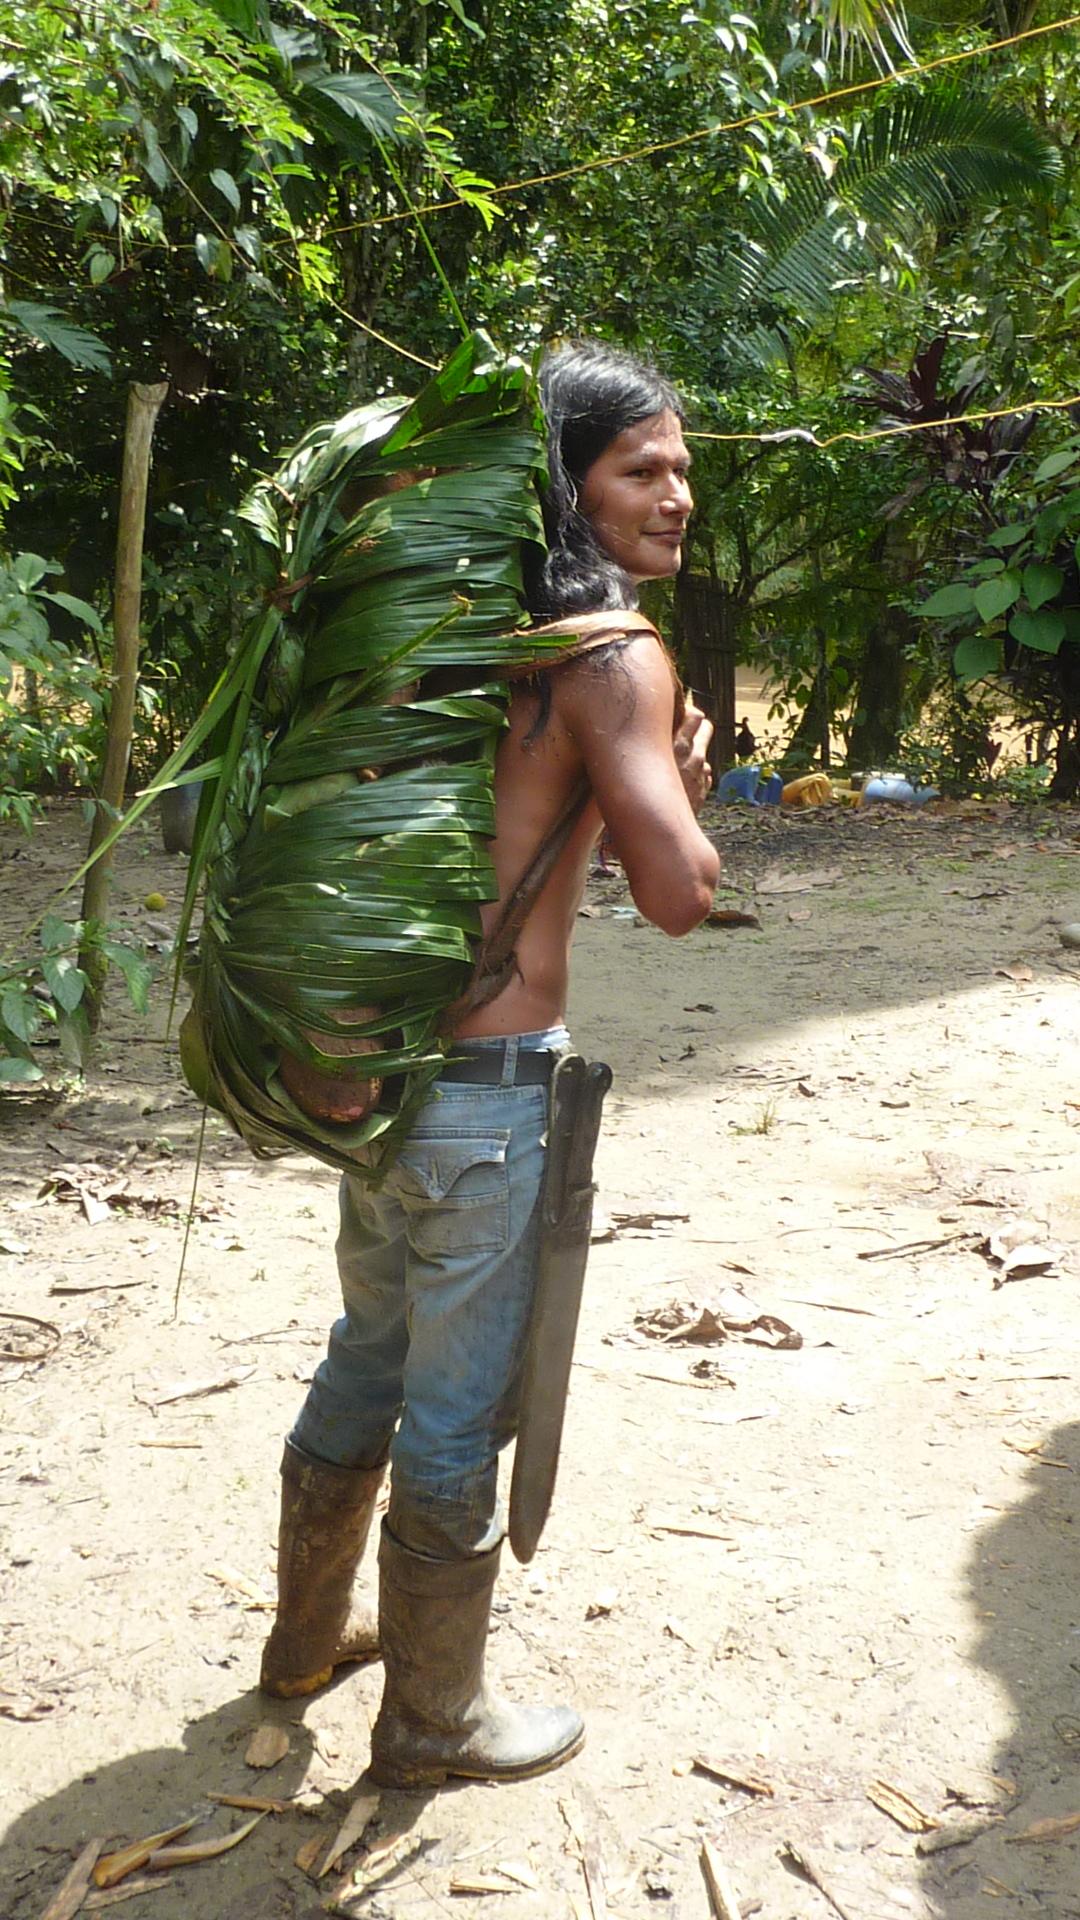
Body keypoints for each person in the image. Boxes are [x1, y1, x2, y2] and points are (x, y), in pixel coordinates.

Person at [259, 340, 720, 1788]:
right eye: (641, 468)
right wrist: (685, 795)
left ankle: (303, 1644)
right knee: (456, 1412)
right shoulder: (610, 655)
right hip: (492, 1094)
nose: (677, 494)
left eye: (686, 469)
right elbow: (681, 893)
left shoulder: (436, 637)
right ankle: (436, 1724)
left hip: (376, 1080)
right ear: (568, 489)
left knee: (364, 1358)